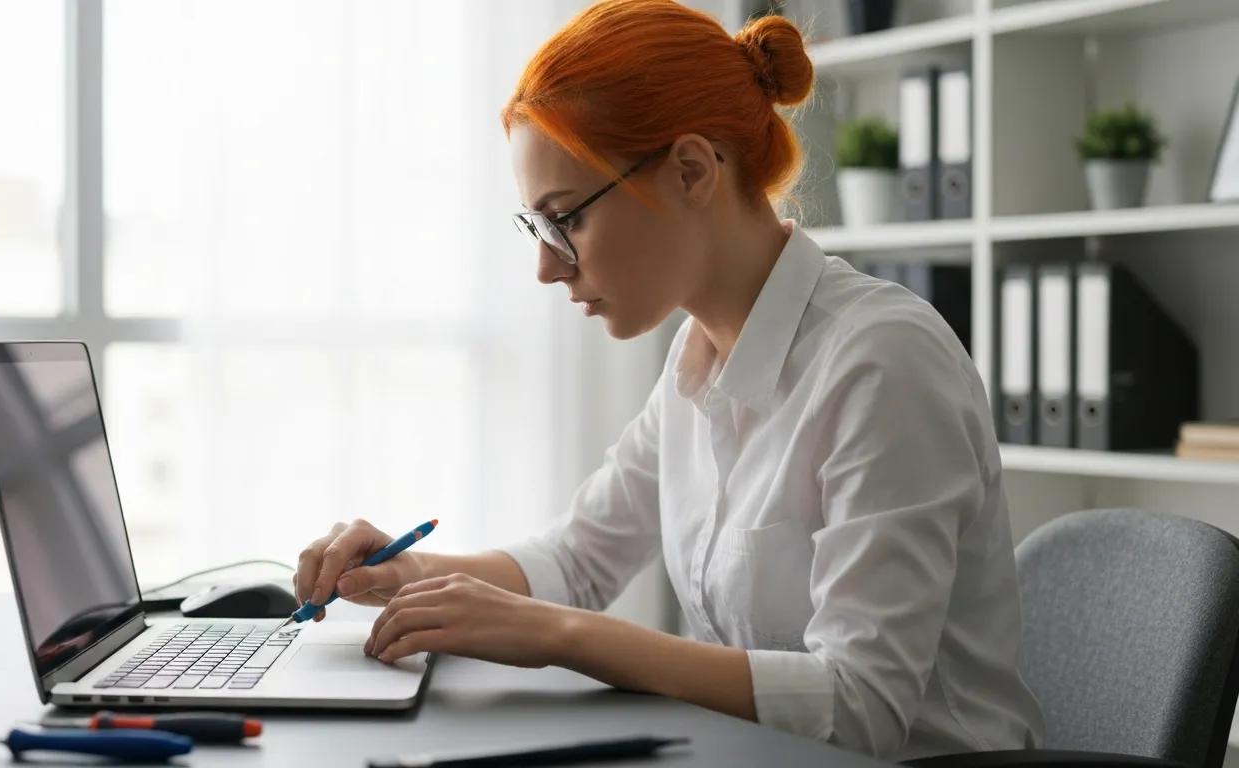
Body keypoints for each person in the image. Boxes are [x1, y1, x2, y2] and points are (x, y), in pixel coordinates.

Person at [292, 0, 1044, 760]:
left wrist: (558, 635)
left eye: (567, 220)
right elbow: (577, 561)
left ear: (692, 170)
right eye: (536, 227)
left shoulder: (883, 363)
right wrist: (406, 573)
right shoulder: (698, 357)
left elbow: (860, 708)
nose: (547, 267)